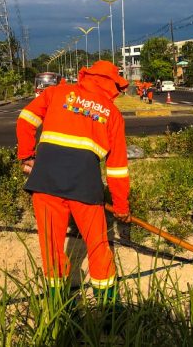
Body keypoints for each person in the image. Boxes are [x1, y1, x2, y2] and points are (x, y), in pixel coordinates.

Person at [16, 60, 131, 304]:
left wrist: (26, 155)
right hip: (85, 186)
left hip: (45, 182)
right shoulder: (112, 114)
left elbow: (25, 119)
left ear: (86, 76)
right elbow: (117, 168)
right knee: (98, 245)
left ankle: (59, 306)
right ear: (113, 85)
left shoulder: (56, 93)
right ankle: (109, 310)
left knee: (52, 247)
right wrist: (121, 207)